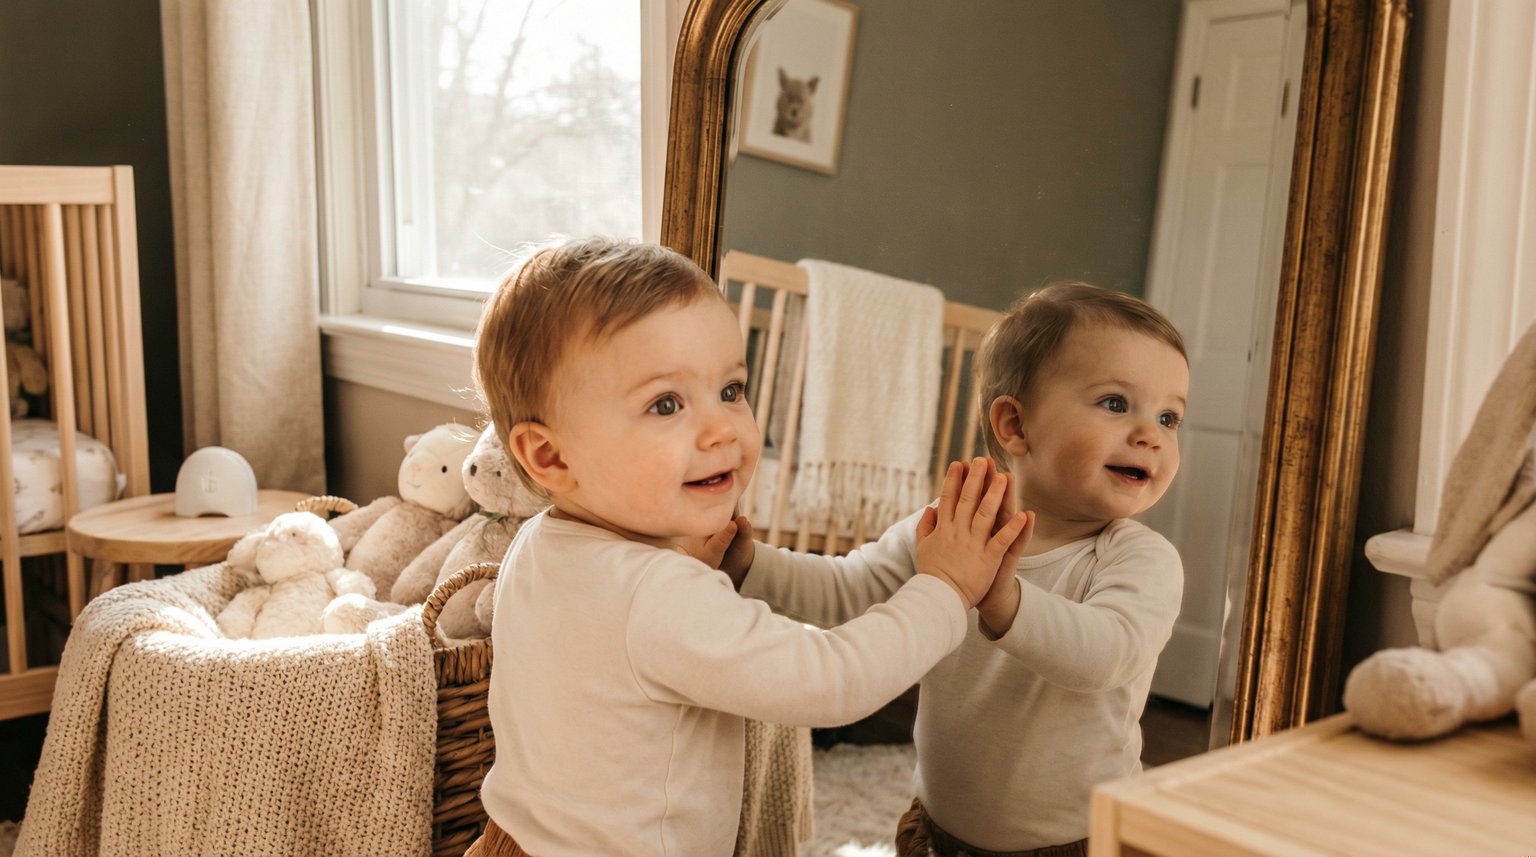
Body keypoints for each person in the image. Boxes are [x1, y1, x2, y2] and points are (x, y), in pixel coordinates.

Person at [464, 236, 1031, 857]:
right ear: (550, 455)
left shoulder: (537, 545)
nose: (721, 429)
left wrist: (687, 571)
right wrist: (946, 588)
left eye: (731, 390)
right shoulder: (660, 595)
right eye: (666, 404)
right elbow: (833, 680)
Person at [709, 281, 1189, 857]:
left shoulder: (1137, 557)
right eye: (1116, 404)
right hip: (940, 830)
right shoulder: (952, 527)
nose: (1150, 436)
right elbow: (848, 588)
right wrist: (750, 564)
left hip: (1074, 842)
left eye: (1169, 418)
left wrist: (1002, 600)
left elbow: (1106, 656)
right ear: (1014, 425)